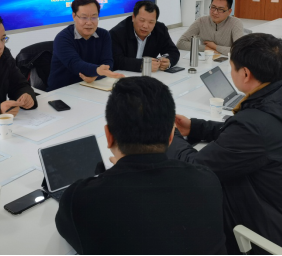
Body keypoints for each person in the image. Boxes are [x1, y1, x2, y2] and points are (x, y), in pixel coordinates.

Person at [167, 33, 282, 254]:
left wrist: (170, 137)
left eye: (231, 67)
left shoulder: (254, 125)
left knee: (186, 192)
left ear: (245, 74)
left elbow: (196, 170)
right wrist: (196, 127)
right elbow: (252, 135)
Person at [55, 76, 227, 255]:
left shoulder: (81, 200)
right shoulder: (207, 180)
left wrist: (115, 173)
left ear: (109, 136)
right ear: (171, 137)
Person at [47, 0, 124, 91]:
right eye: (84, 17)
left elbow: (108, 62)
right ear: (74, 16)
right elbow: (75, 64)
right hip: (62, 91)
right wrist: (97, 71)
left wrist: (96, 75)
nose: (89, 22)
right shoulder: (63, 38)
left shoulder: (104, 35)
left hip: (91, 87)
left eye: (94, 17)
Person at [109, 0, 180, 72]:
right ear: (133, 17)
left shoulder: (160, 29)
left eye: (151, 22)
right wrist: (142, 65)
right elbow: (116, 60)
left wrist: (168, 61)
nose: (145, 26)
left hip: (150, 76)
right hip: (123, 75)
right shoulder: (117, 33)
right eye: (142, 20)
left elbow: (173, 51)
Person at [177, 0, 243, 55]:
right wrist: (205, 48)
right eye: (213, 7)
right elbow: (180, 43)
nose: (215, 12)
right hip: (206, 58)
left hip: (228, 60)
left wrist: (215, 47)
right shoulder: (201, 21)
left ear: (229, 11)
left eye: (220, 9)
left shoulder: (235, 23)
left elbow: (240, 50)